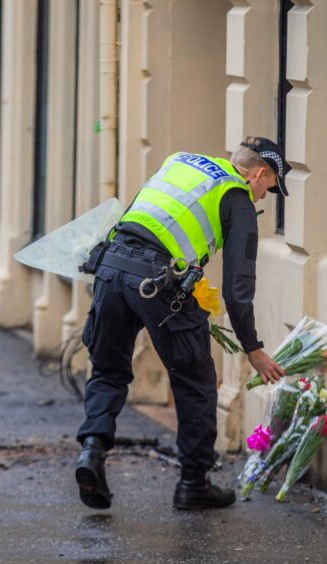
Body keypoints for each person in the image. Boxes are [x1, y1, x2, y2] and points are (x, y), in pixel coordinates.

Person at [75, 136, 289, 510]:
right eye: (268, 188)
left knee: (108, 370)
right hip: (158, 281)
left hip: (111, 267)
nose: (263, 197)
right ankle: (193, 484)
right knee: (194, 379)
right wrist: (252, 348)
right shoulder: (236, 197)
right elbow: (239, 288)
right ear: (258, 173)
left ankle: (92, 451)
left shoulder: (181, 160)